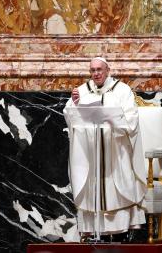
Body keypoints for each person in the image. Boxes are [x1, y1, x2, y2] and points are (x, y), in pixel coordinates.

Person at [63, 57, 147, 237]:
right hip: (91, 154)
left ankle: (120, 231)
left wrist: (112, 119)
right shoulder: (81, 91)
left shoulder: (122, 90)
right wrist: (76, 104)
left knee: (117, 183)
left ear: (108, 70)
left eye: (99, 69)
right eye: (92, 70)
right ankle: (94, 231)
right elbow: (70, 115)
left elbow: (131, 119)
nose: (96, 74)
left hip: (115, 151)